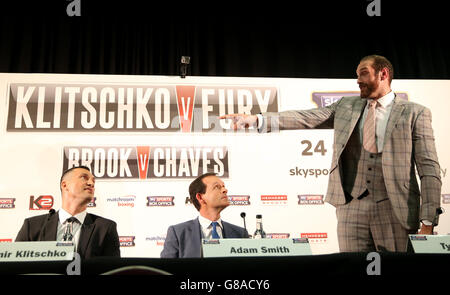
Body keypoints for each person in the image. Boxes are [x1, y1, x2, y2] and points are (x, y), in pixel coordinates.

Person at [220, 55, 442, 252]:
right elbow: (306, 118)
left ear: (383, 74)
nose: (358, 80)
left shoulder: (415, 113)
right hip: (350, 208)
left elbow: (429, 169)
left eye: (363, 73)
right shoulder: (347, 106)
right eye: (357, 75)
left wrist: (428, 221)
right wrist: (257, 120)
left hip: (396, 209)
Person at [16, 166, 120, 259]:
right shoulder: (32, 226)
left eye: (93, 181)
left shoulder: (105, 228)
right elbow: (15, 264)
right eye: (84, 177)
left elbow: (111, 271)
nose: (91, 183)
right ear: (65, 185)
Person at [161, 172, 249, 258]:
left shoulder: (241, 233)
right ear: (200, 197)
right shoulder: (178, 233)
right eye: (217, 187)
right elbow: (165, 270)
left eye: (223, 186)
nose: (225, 190)